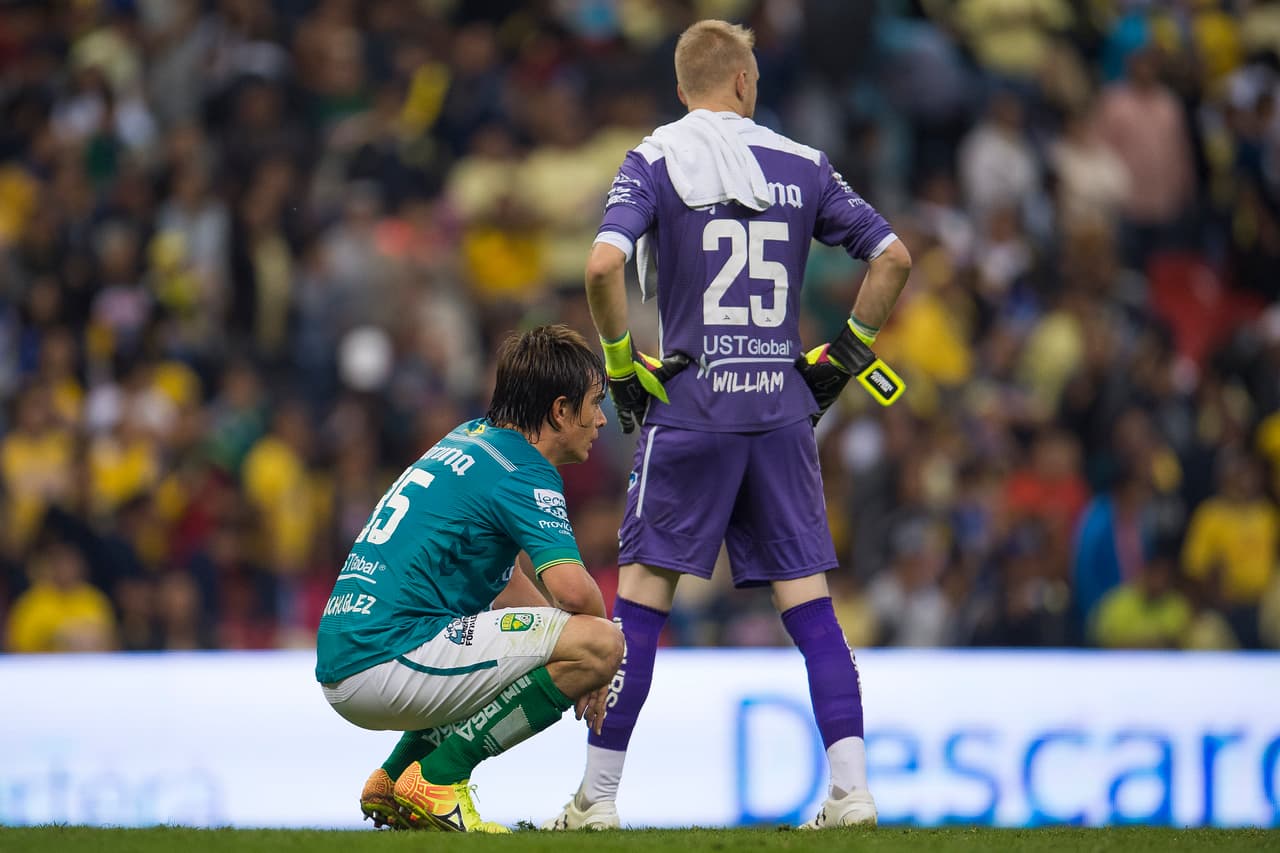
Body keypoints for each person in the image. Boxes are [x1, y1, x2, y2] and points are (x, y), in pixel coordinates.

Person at [544, 20, 912, 831]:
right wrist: (847, 355)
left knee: (639, 608)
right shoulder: (801, 163)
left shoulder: (654, 159)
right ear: (746, 84)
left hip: (690, 408)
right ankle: (852, 793)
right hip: (781, 413)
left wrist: (616, 362)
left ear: (682, 90)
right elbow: (893, 257)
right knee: (812, 610)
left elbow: (603, 264)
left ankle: (596, 801)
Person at [315, 324, 625, 833]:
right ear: (560, 410)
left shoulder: (469, 439)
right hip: (387, 655)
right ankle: (440, 779)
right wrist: (598, 653)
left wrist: (565, 643)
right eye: (594, 403)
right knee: (601, 641)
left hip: (349, 653)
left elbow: (505, 589)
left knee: (552, 643)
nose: (599, 420)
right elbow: (571, 591)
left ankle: (397, 777)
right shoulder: (524, 469)